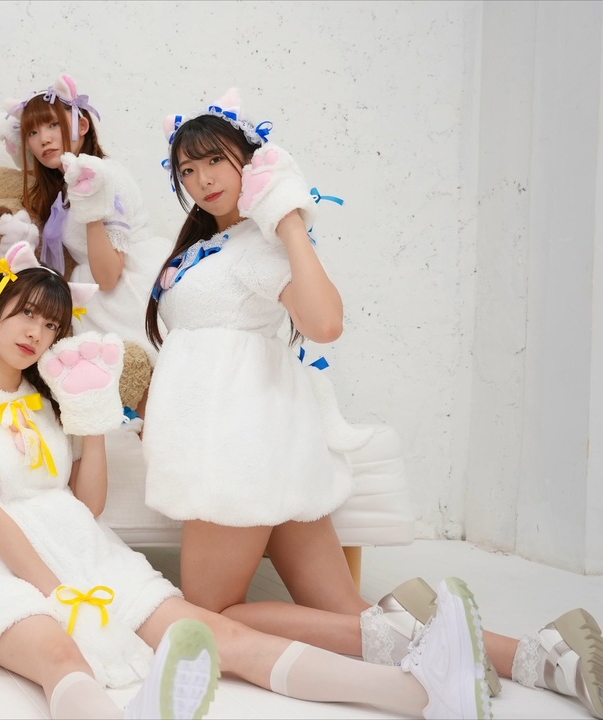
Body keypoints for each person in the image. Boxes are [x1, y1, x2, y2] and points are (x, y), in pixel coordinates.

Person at [142, 88, 602, 719]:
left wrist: (288, 218)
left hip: (237, 450)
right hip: (265, 443)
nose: (202, 179)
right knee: (347, 612)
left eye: (215, 160)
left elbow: (325, 324)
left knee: (210, 615)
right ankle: (545, 655)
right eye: (187, 169)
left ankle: (420, 641)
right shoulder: (207, 249)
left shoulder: (260, 246)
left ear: (254, 161)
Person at [0, 240, 493, 720]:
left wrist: (91, 417)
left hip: (78, 544)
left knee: (222, 637)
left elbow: (86, 506)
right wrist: (56, 592)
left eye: (50, 324)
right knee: (61, 655)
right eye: (25, 313)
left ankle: (422, 692)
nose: (35, 332)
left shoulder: (47, 403)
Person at [0, 73, 173, 361]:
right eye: (32, 132)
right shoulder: (66, 186)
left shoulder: (103, 176)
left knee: (144, 368)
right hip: (98, 295)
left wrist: (91, 209)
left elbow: (109, 275)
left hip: (129, 291)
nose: (44, 139)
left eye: (53, 124)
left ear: (83, 125)